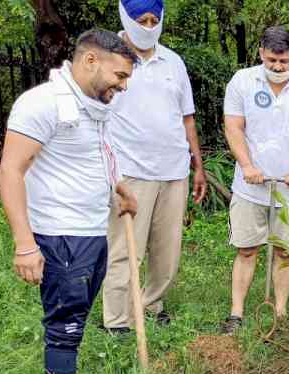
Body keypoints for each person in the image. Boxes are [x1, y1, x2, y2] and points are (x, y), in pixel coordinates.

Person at [0, 29, 138, 374]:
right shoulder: (42, 104)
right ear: (90, 61)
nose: (123, 86)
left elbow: (94, 155)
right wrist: (25, 245)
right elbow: (10, 172)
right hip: (62, 236)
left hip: (92, 230)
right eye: (120, 75)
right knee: (66, 324)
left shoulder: (92, 105)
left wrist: (118, 187)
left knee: (75, 320)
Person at [102, 0, 206, 333]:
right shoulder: (108, 59)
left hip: (174, 171)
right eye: (141, 20)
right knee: (125, 250)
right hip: (130, 173)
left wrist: (198, 166)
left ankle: (148, 305)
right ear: (126, 18)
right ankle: (117, 321)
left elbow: (187, 118)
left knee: (167, 252)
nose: (148, 26)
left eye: (154, 20)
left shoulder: (173, 62)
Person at [221, 25, 289, 334]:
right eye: (271, 61)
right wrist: (246, 165)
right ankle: (237, 313)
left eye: (284, 61)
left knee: (284, 251)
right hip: (251, 186)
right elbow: (233, 127)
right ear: (261, 54)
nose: (278, 67)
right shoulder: (242, 82)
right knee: (246, 249)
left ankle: (280, 312)